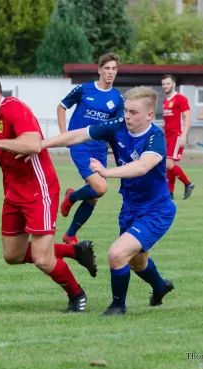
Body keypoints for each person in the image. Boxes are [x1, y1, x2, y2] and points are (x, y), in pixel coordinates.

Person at [21, 86, 176, 316]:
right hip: (130, 208)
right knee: (137, 263)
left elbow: (143, 166)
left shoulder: (156, 137)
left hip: (156, 210)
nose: (127, 116)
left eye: (133, 112)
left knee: (116, 255)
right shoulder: (118, 126)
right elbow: (79, 134)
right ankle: (160, 286)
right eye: (126, 111)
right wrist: (42, 144)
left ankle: (117, 307)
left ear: (149, 115)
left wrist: (106, 172)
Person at [0, 70, 98, 313]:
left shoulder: (14, 109)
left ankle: (76, 294)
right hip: (13, 195)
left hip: (40, 191)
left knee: (42, 258)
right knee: (13, 255)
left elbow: (33, 144)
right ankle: (74, 250)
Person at [57, 53, 125, 245]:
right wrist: (64, 135)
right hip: (80, 144)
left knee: (94, 196)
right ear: (99, 70)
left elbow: (118, 127)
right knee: (100, 187)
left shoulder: (117, 99)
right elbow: (62, 106)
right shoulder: (85, 89)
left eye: (114, 69)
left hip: (99, 148)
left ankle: (70, 234)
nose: (110, 72)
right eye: (107, 68)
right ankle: (71, 197)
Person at [161, 74, 195, 200]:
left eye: (167, 83)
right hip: (167, 136)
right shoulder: (165, 101)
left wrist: (184, 135)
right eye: (163, 84)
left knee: (168, 163)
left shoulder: (180, 98)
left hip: (176, 135)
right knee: (169, 164)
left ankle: (188, 183)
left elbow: (187, 117)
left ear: (173, 84)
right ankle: (170, 192)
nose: (165, 86)